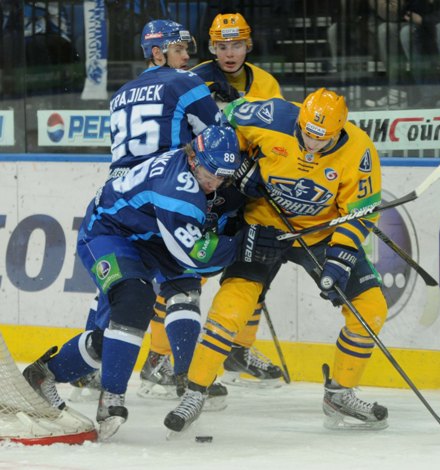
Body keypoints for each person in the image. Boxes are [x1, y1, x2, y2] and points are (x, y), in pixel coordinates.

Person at [22, 125, 286, 440]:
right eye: (209, 173)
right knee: (134, 300)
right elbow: (196, 256)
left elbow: (214, 220)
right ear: (193, 159)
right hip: (110, 233)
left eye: (222, 177)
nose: (213, 183)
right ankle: (104, 394)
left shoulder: (204, 173)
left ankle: (187, 379)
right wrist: (243, 245)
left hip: (153, 236)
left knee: (185, 291)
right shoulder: (177, 189)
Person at [164, 88, 390, 434]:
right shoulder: (271, 117)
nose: (312, 144)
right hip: (263, 225)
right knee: (230, 308)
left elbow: (361, 212)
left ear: (339, 130)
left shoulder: (360, 150)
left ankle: (340, 393)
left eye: (322, 139)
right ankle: (196, 390)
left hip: (321, 235)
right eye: (307, 134)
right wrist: (241, 166)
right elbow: (226, 120)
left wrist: (340, 260)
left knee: (371, 309)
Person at [65, 18, 226, 404]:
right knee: (182, 280)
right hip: (166, 192)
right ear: (157, 52)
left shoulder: (121, 93)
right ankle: (185, 374)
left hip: (119, 195)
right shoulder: (186, 82)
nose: (187, 56)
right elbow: (217, 136)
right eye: (179, 49)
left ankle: (88, 369)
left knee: (120, 287)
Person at [191, 11, 286, 387]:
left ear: (249, 45)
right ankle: (159, 357)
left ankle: (238, 350)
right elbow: (179, 134)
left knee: (254, 270)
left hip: (250, 190)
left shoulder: (266, 83)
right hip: (206, 187)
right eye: (221, 46)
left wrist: (260, 173)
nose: (229, 54)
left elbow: (279, 137)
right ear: (212, 47)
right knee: (189, 272)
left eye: (236, 45)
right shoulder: (195, 80)